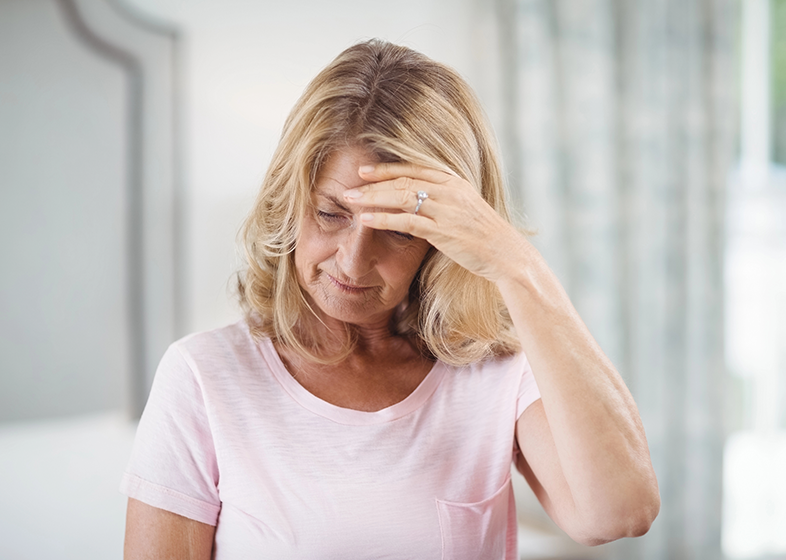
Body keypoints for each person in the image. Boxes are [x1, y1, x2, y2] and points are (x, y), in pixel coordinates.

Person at [121, 39, 659, 559]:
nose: (352, 262)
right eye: (331, 214)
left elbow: (619, 513)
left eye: (398, 230)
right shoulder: (203, 377)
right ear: (289, 203)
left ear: (445, 239)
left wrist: (516, 265)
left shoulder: (496, 372)